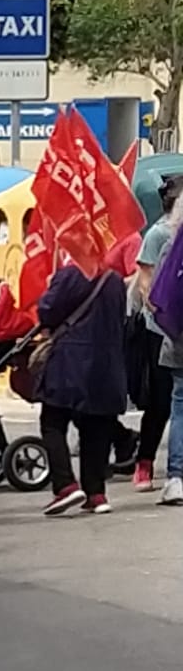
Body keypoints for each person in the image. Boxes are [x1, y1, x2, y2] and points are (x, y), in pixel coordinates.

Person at [35, 258, 130, 517]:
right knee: (96, 429)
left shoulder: (70, 273)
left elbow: (47, 310)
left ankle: (65, 484)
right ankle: (96, 493)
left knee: (53, 422)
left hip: (71, 361)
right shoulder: (114, 279)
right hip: (107, 365)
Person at [131, 176, 183, 495]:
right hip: (162, 331)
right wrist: (166, 324)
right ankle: (146, 461)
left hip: (172, 333)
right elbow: (147, 286)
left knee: (176, 401)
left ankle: (175, 474)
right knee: (161, 401)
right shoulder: (160, 236)